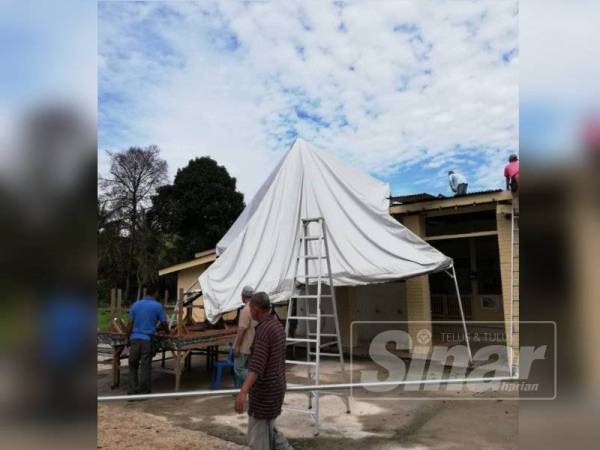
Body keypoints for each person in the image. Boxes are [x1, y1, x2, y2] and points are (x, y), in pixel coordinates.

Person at [235, 292, 293, 450]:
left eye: (251, 308)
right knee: (271, 432)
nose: (250, 311)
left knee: (258, 439)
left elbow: (256, 366)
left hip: (265, 393)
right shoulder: (277, 326)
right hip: (277, 388)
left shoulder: (264, 331)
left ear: (256, 309)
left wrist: (243, 391)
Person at [126, 284, 168, 395]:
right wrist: (167, 331)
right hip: (147, 340)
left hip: (134, 339)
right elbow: (164, 323)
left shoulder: (135, 305)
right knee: (145, 366)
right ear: (155, 293)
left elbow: (130, 324)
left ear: (145, 293)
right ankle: (143, 391)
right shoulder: (158, 306)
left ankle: (132, 390)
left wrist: (127, 338)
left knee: (133, 365)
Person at [233, 285, 257, 388]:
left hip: (244, 347)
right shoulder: (256, 309)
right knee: (248, 367)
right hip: (253, 345)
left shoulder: (246, 310)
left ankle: (257, 381)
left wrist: (237, 347)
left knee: (238, 369)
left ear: (243, 296)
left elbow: (242, 330)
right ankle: (243, 389)